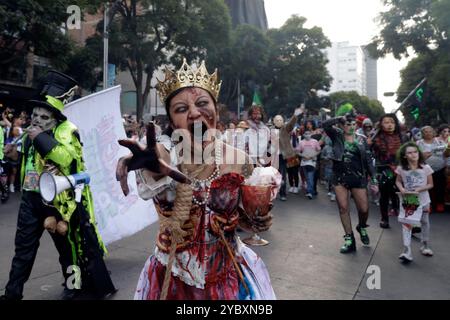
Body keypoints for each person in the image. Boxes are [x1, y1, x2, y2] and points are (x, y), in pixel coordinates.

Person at [116, 58, 279, 300]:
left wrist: (256, 219)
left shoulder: (239, 158)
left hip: (229, 277)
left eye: (202, 103)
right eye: (181, 109)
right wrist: (149, 164)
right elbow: (157, 164)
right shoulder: (164, 157)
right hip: (172, 279)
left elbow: (243, 216)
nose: (194, 112)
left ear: (215, 109)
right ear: (172, 121)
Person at [0, 71, 115, 300]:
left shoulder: (67, 131)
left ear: (54, 117)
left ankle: (74, 287)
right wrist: (13, 150)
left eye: (44, 117)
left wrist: (40, 138)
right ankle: (12, 294)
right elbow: (21, 156)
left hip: (59, 202)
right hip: (31, 197)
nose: (37, 120)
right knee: (23, 250)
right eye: (35, 115)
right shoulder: (29, 134)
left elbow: (68, 159)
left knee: (68, 249)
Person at [323, 112, 378, 254]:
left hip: (358, 177)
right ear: (342, 125)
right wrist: (338, 118)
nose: (351, 126)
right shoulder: (336, 136)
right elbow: (325, 125)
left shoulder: (362, 139)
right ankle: (349, 239)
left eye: (354, 124)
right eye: (348, 124)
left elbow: (368, 160)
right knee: (343, 208)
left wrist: (374, 178)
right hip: (339, 177)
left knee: (364, 209)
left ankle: (361, 226)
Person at [395, 142, 434, 262]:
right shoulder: (401, 168)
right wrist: (402, 189)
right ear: (405, 156)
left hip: (424, 199)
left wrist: (419, 189)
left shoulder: (425, 167)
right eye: (410, 152)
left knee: (424, 221)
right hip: (409, 198)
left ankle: (425, 245)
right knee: (407, 224)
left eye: (415, 152)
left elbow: (430, 184)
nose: (413, 154)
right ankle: (407, 251)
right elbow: (398, 181)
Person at [371, 113, 408, 228]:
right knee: (385, 195)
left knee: (406, 195)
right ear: (381, 125)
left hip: (401, 169)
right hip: (384, 170)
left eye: (392, 122)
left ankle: (410, 220)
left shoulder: (403, 137)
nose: (390, 125)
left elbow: (409, 151)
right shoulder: (375, 138)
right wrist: (368, 144)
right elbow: (366, 152)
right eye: (386, 122)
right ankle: (384, 219)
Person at [272, 106, 304, 201]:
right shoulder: (270, 130)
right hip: (274, 157)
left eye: (280, 120)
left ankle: (283, 193)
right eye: (277, 120)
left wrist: (295, 115)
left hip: (286, 155)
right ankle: (275, 191)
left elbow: (291, 124)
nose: (279, 121)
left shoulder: (285, 128)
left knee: (285, 174)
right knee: (274, 175)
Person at [417, 126, 447, 213]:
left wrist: (448, 166)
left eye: (430, 131)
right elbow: (413, 155)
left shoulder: (440, 142)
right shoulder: (418, 143)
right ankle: (428, 205)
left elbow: (447, 154)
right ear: (422, 134)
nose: (428, 133)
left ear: (433, 132)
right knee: (427, 188)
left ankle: (440, 204)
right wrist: (421, 156)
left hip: (439, 168)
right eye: (426, 132)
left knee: (440, 186)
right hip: (424, 170)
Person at [296, 130, 321, 199]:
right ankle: (310, 190)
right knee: (307, 177)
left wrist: (314, 155)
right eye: (306, 134)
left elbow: (319, 150)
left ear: (311, 134)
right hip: (304, 162)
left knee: (310, 177)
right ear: (303, 135)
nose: (307, 135)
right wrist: (303, 155)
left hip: (312, 162)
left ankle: (310, 192)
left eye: (309, 133)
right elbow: (297, 151)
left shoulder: (315, 141)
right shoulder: (301, 142)